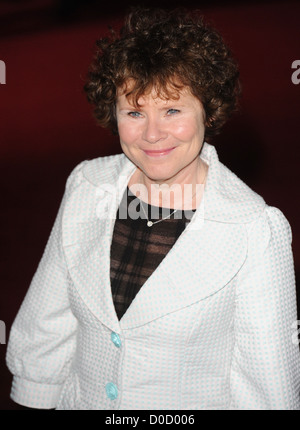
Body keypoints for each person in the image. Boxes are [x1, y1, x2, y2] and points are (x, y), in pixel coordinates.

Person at [6, 7, 300, 410]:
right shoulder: (86, 187)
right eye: (134, 112)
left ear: (208, 111)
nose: (152, 133)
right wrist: (34, 394)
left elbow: (266, 380)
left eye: (173, 110)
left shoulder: (254, 230)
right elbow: (48, 319)